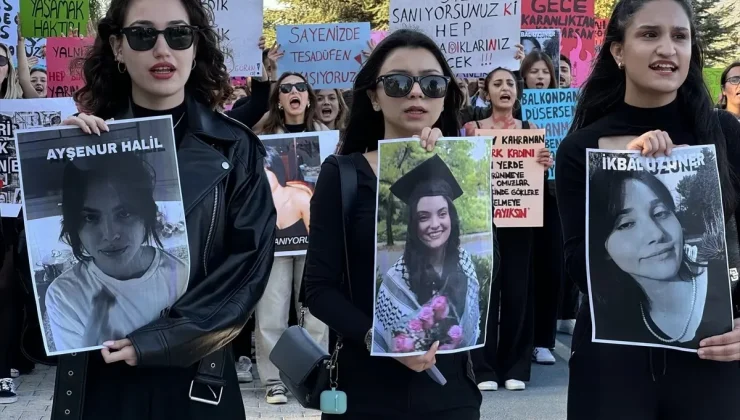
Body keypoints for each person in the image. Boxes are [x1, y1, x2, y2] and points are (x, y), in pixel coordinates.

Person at [49, 0, 277, 418]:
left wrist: (159, 340)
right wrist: (59, 163)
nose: (162, 49)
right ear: (118, 47)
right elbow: (43, 306)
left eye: (177, 34)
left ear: (194, 46)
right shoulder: (80, 147)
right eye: (142, 34)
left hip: (198, 381)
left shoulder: (235, 148)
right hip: (102, 386)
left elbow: (248, 270)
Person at [556, 0, 740, 418]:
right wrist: (621, 168)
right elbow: (576, 263)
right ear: (618, 51)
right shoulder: (580, 149)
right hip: (611, 368)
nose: (667, 49)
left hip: (713, 362)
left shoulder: (725, 133)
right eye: (649, 34)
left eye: (680, 36)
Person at [304, 28, 484, 420]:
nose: (416, 93)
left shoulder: (469, 167)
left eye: (432, 83)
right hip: (367, 390)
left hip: (451, 393)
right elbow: (316, 288)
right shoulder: (344, 174)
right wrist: (381, 337)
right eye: (398, 83)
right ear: (373, 95)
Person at [462, 67, 553, 389]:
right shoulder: (472, 129)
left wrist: (542, 163)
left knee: (518, 291)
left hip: (520, 220)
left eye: (510, 83)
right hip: (483, 219)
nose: (504, 88)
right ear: (487, 92)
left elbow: (535, 181)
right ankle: (482, 368)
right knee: (484, 291)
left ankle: (515, 366)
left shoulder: (530, 130)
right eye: (497, 83)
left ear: (517, 92)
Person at [44, 153, 189, 352]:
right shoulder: (64, 294)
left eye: (124, 213)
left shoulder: (179, 275)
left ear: (146, 214)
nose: (110, 235)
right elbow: (79, 370)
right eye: (90, 218)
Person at [254, 71, 330, 405]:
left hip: (316, 240)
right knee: (271, 310)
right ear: (279, 99)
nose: (294, 92)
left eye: (301, 86)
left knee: (316, 311)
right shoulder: (260, 138)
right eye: (286, 88)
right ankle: (273, 380)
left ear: (309, 97)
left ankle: (315, 374)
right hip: (274, 241)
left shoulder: (329, 138)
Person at [588, 168, 729, 348]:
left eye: (660, 213)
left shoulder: (725, 280)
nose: (656, 234)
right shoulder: (617, 321)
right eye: (627, 224)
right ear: (603, 247)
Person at [374, 154, 481, 354]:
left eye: (442, 213)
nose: (434, 225)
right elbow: (386, 340)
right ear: (413, 224)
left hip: (457, 370)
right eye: (424, 217)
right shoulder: (397, 279)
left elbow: (471, 328)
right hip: (407, 376)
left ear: (451, 217)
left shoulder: (464, 262)